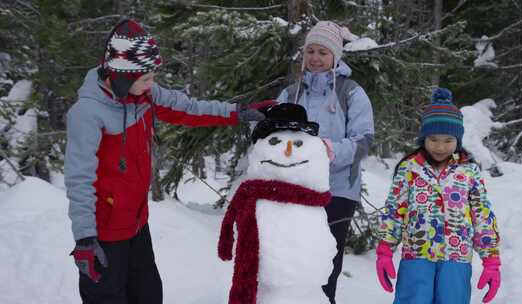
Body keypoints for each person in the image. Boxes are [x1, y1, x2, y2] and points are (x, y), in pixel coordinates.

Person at [65, 19, 271, 304]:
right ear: (124, 76)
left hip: (137, 225)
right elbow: (79, 179)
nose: (152, 84)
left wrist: (236, 112)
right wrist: (85, 238)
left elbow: (188, 108)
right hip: (105, 234)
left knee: (148, 295)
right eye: (146, 78)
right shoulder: (88, 114)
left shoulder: (144, 94)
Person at [277, 21, 375, 304]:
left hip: (338, 189)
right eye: (310, 51)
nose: (316, 58)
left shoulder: (352, 92)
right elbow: (273, 135)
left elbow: (364, 140)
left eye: (323, 52)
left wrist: (327, 150)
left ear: (335, 56)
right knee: (293, 256)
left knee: (326, 260)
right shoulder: (291, 93)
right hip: (295, 187)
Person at [375, 88, 501, 304]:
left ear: (458, 139)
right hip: (416, 258)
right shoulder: (409, 168)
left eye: (448, 140)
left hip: (456, 260)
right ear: (423, 137)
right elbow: (394, 210)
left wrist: (491, 260)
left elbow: (482, 214)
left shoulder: (468, 170)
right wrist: (385, 249)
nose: (440, 146)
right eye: (433, 139)